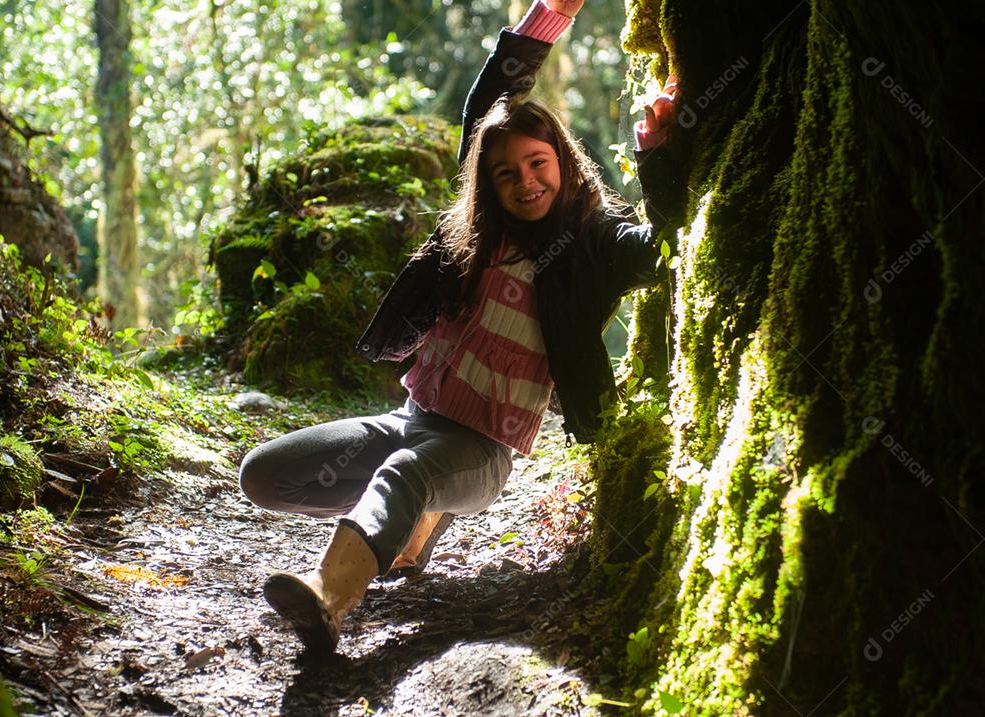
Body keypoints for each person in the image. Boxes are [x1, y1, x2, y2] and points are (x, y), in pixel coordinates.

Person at [239, 0, 685, 652]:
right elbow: (490, 103)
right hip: (412, 419)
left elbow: (666, 245)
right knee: (264, 474)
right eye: (506, 173)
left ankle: (328, 597)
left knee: (404, 473)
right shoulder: (481, 226)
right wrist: (548, 16)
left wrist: (658, 151)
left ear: (562, 157)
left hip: (481, 452)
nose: (525, 182)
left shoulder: (593, 239)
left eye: (538, 163)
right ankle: (403, 526)